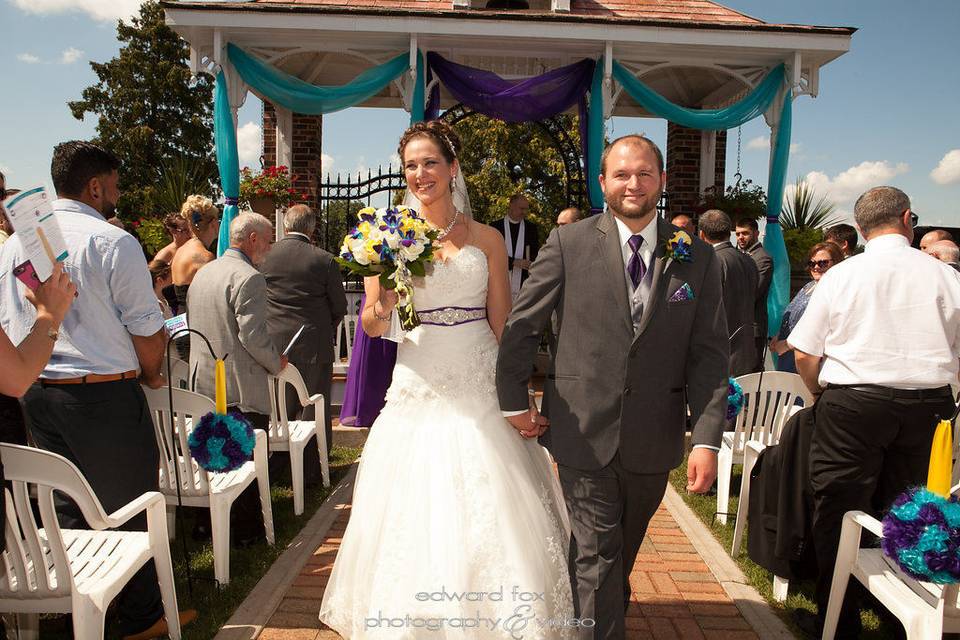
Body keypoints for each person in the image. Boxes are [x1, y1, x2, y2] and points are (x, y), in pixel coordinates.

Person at [319, 120, 574, 637]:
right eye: (411, 165)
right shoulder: (383, 234)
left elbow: (503, 322)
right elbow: (371, 321)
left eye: (430, 162)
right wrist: (386, 292)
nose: (420, 174)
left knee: (492, 496)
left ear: (453, 168)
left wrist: (518, 395)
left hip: (478, 372)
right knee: (414, 496)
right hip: (419, 373)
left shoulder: (486, 239)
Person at [497, 134, 729, 638]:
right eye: (621, 174)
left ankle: (597, 613)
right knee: (598, 555)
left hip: (654, 434)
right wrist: (514, 400)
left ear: (662, 181)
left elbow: (709, 353)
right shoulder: (568, 242)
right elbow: (523, 326)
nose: (633, 183)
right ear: (602, 181)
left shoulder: (696, 257)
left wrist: (707, 438)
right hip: (581, 427)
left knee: (615, 557)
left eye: (645, 173)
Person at [0, 140, 195, 639]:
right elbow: (146, 328)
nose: (118, 193)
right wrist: (152, 373)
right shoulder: (113, 241)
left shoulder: (12, 245)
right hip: (103, 395)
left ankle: (76, 607)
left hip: (34, 388)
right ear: (95, 185)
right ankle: (140, 617)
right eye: (115, 184)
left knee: (63, 504)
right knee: (128, 504)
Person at [788, 186, 960, 639]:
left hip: (852, 405)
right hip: (929, 406)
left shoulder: (841, 276)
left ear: (860, 229)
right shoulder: (948, 277)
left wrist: (819, 394)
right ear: (908, 219)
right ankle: (902, 617)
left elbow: (804, 352)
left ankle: (838, 623)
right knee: (913, 512)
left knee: (839, 511)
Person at [187, 212, 286, 431]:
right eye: (268, 241)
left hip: (203, 385)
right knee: (247, 462)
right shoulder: (249, 277)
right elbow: (252, 336)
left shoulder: (203, 272)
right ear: (253, 238)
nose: (269, 248)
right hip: (239, 391)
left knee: (212, 460)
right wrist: (275, 362)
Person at [261, 204, 346, 454]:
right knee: (313, 406)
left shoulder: (265, 255)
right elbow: (339, 305)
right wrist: (323, 327)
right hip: (313, 342)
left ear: (285, 225)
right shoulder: (324, 259)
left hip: (274, 342)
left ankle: (277, 462)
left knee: (279, 407)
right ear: (311, 228)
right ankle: (311, 465)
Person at [768, 242, 844, 374]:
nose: (816, 267)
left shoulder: (833, 292)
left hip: (807, 359)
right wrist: (779, 335)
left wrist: (786, 345)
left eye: (822, 263)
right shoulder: (808, 286)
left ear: (836, 263)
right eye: (812, 263)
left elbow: (819, 331)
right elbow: (792, 315)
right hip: (787, 356)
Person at [699, 209, 758, 377]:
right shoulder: (748, 260)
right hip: (745, 349)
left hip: (720, 353)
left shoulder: (712, 261)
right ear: (729, 232)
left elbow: (708, 311)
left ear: (702, 235)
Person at [170, 194, 220, 359]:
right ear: (213, 223)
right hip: (197, 328)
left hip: (179, 323)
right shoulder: (204, 257)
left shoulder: (181, 251)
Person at [734, 217, 772, 371]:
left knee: (751, 375)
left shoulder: (762, 258)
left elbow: (753, 292)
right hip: (735, 326)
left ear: (756, 233)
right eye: (737, 234)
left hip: (753, 327)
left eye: (745, 233)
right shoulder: (737, 255)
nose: (740, 237)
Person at [490, 193, 540, 299]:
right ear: (511, 205)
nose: (524, 212)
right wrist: (513, 262)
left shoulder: (531, 229)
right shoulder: (495, 227)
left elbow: (535, 253)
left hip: (523, 284)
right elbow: (491, 255)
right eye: (521, 208)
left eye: (526, 209)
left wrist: (531, 262)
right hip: (499, 281)